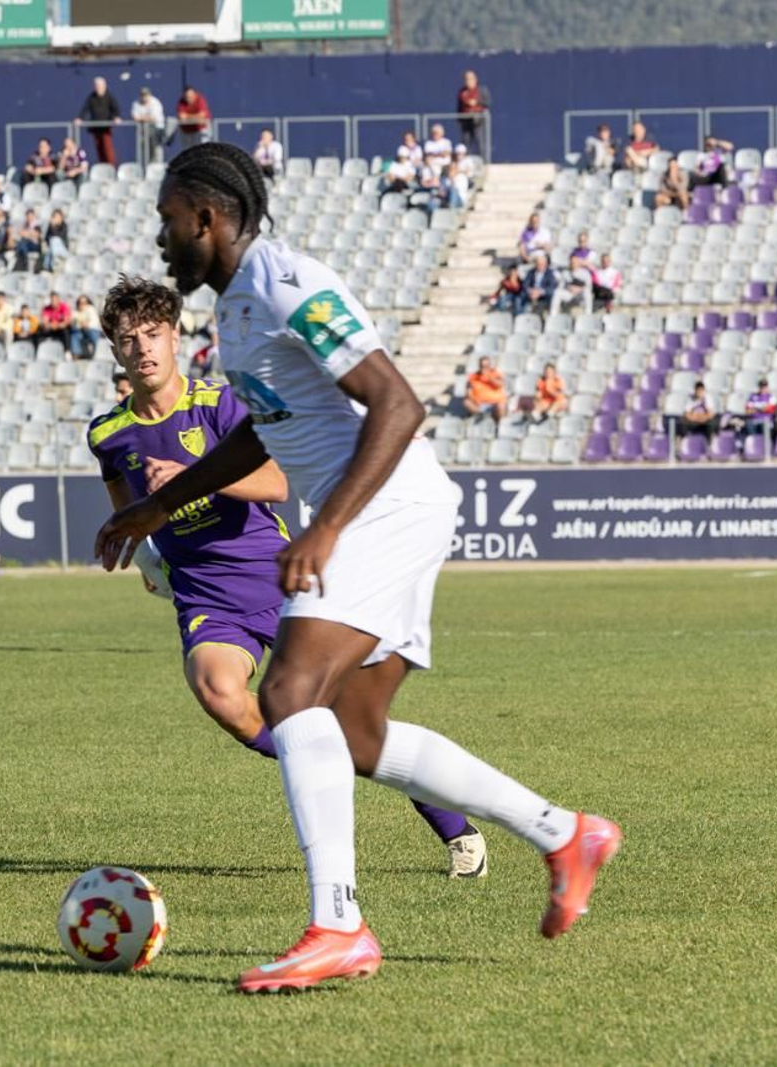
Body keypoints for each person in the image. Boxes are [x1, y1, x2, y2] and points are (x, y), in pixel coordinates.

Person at [95, 143, 619, 992]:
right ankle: (566, 832)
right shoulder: (234, 311)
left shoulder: (286, 280)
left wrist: (328, 526)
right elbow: (264, 430)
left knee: (286, 692)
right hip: (373, 509)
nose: (162, 241)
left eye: (167, 222)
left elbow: (397, 402)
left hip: (385, 504)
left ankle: (338, 924)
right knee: (359, 734)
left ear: (206, 216)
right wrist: (157, 505)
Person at [90, 275, 487, 886]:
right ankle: (317, 759)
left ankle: (454, 827)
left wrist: (194, 477)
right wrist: (144, 555)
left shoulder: (220, 405)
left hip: (276, 575)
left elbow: (275, 484)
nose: (142, 348)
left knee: (355, 717)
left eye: (152, 334)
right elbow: (130, 513)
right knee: (220, 693)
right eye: (127, 338)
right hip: (204, 593)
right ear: (114, 351)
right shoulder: (107, 434)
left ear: (174, 337)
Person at [77, 76, 122, 166]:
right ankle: (103, 167)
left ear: (104, 86)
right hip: (96, 128)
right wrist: (80, 118)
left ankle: (112, 168)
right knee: (99, 148)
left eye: (100, 86)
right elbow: (85, 108)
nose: (98, 88)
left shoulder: (110, 96)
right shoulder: (91, 97)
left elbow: (115, 108)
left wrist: (116, 117)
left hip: (106, 128)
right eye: (96, 86)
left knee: (107, 148)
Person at [455, 69, 490, 154]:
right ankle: (466, 161)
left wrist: (476, 102)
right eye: (466, 79)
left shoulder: (482, 90)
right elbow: (459, 106)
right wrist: (459, 118)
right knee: (465, 141)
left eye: (470, 79)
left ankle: (483, 161)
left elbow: (487, 102)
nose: (468, 81)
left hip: (478, 120)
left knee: (480, 141)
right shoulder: (462, 92)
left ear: (475, 79)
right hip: (466, 120)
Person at [463, 355, 508, 420]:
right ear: (479, 366)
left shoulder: (495, 373)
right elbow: (468, 391)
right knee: (466, 402)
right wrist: (474, 399)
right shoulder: (473, 376)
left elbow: (501, 384)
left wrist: (489, 377)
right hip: (481, 403)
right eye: (482, 366)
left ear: (489, 365)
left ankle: (500, 425)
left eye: (486, 366)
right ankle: (480, 415)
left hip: (495, 403)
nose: (484, 368)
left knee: (501, 405)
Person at [132, 88, 165, 164]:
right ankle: (146, 167)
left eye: (146, 95)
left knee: (157, 149)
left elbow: (153, 118)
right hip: (143, 132)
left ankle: (158, 166)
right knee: (145, 150)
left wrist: (142, 118)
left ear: (149, 95)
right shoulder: (136, 103)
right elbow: (135, 117)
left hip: (157, 130)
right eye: (142, 95)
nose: (144, 97)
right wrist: (146, 118)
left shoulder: (155, 103)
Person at [71, 294, 103, 360]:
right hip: (80, 331)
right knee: (75, 335)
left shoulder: (91, 309)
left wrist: (85, 324)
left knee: (93, 335)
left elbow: (94, 323)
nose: (82, 304)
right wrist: (82, 324)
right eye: (80, 303)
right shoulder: (75, 312)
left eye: (84, 303)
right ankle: (76, 354)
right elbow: (74, 324)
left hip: (92, 330)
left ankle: (96, 354)